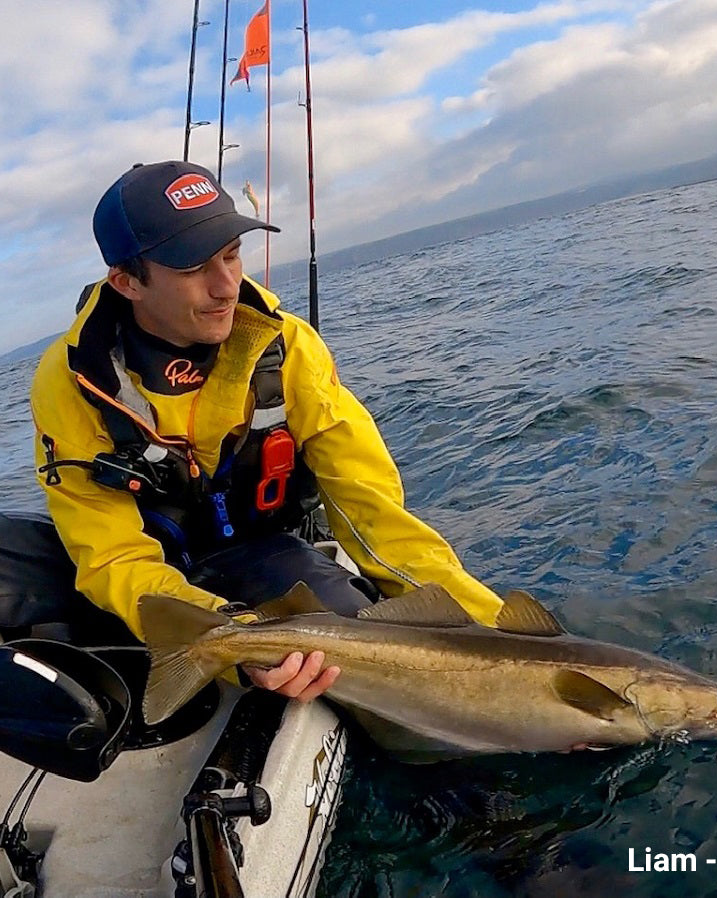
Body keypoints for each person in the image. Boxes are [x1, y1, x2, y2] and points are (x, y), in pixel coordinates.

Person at [28, 160, 505, 703]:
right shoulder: (68, 382)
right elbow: (114, 558)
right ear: (127, 281)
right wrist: (238, 641)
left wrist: (491, 635)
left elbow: (374, 513)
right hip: (154, 578)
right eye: (192, 268)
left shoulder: (288, 345)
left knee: (347, 639)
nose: (226, 285)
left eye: (232, 254)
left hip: (266, 552)